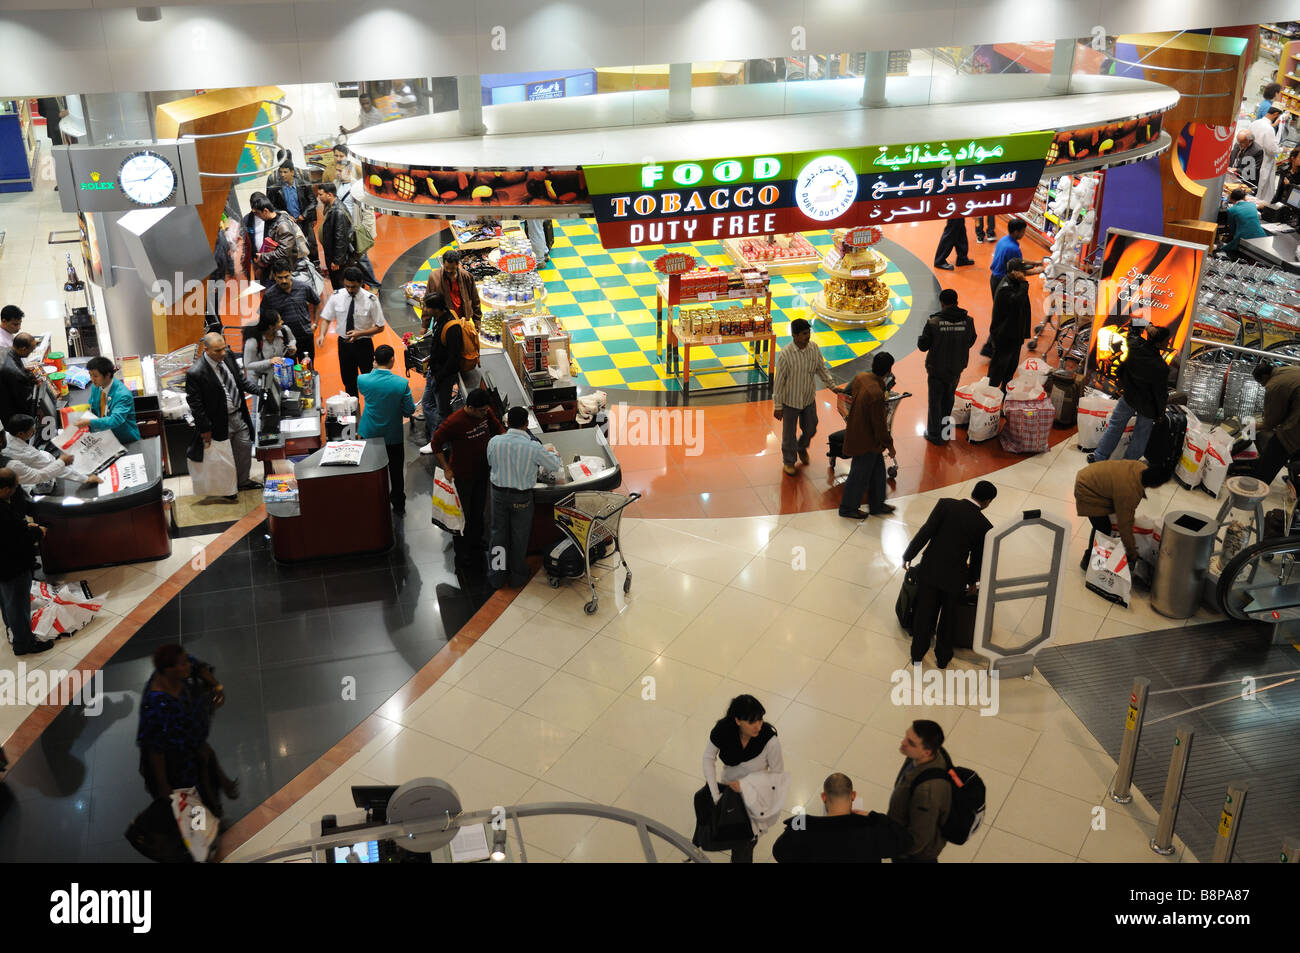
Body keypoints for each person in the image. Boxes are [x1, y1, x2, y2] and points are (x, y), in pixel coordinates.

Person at [137, 644, 239, 819]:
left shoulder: (177, 673)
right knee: (194, 802)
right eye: (182, 664)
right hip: (178, 765)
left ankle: (214, 814)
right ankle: (203, 835)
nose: (188, 666)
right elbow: (156, 750)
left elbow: (197, 666)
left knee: (207, 782)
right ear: (169, 669)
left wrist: (217, 687)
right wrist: (163, 785)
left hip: (195, 747)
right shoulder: (156, 705)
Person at [902, 480, 996, 668]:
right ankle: (943, 658)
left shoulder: (946, 504)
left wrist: (908, 554)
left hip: (930, 569)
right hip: (955, 577)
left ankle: (918, 655)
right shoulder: (984, 526)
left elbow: (925, 532)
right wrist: (971, 582)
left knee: (924, 613)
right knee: (948, 618)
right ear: (987, 502)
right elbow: (977, 558)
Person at [697, 694, 785, 863]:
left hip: (755, 799)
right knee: (724, 829)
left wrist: (745, 786)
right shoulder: (723, 730)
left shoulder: (769, 740)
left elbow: (777, 778)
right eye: (752, 722)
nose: (758, 726)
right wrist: (716, 795)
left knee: (744, 844)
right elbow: (708, 758)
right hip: (728, 792)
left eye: (760, 720)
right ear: (737, 720)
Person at [485, 405, 561, 590]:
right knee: (519, 537)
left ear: (507, 422)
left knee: (497, 535)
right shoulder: (533, 447)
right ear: (526, 424)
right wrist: (553, 454)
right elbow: (554, 466)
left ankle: (496, 576)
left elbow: (490, 462)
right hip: (522, 498)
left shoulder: (494, 441)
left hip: (497, 495)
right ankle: (517, 576)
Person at [430, 388, 504, 577]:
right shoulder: (454, 421)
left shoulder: (486, 413)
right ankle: (462, 554)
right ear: (469, 407)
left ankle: (477, 541)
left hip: (482, 472)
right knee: (462, 516)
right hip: (462, 476)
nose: (483, 414)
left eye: (485, 410)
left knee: (478, 511)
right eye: (480, 411)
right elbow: (436, 443)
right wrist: (447, 468)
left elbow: (499, 430)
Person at [771, 772, 911, 863]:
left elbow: (779, 852)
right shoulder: (872, 828)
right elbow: (906, 842)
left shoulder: (803, 827)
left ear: (823, 797)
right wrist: (876, 817)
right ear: (853, 796)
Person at [186, 331, 260, 498]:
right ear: (206, 349)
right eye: (217, 351)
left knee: (244, 448)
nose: (223, 353)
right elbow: (195, 405)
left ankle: (242, 481)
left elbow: (240, 380)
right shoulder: (195, 373)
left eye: (224, 348)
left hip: (238, 414)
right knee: (224, 458)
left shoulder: (228, 357)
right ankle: (228, 489)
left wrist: (259, 391)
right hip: (218, 421)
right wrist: (204, 428)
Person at [1088, 321, 1171, 463]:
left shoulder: (1135, 346)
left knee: (1115, 426)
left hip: (1129, 396)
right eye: (1166, 341)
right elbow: (1160, 394)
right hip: (1148, 405)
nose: (1168, 343)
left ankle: (1099, 456)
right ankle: (1127, 465)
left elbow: (1134, 324)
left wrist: (1147, 325)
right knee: (1140, 436)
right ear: (1159, 344)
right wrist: (1160, 413)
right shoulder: (1161, 366)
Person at [1074, 459, 1170, 570]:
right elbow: (1125, 525)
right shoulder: (1129, 492)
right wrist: (1132, 553)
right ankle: (1089, 561)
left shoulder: (1139, 466)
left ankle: (1097, 558)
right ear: (1155, 484)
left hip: (1089, 476)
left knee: (1105, 523)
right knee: (1103, 528)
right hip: (1086, 488)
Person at [772, 317, 838, 476]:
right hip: (790, 401)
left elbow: (821, 369)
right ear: (794, 336)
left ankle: (801, 447)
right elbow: (779, 382)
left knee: (811, 428)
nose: (807, 336)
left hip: (808, 399)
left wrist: (833, 387)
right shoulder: (785, 355)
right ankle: (789, 461)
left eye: (808, 333)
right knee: (788, 435)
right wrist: (778, 406)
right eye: (803, 334)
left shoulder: (814, 348)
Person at [0, 468, 54, 657]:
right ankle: (24, 644)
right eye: (14, 487)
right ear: (5, 489)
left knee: (7, 601)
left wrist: (24, 525)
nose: (15, 491)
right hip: (13, 566)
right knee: (18, 605)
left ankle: (12, 631)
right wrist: (38, 532)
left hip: (3, 568)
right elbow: (16, 538)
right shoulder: (3, 512)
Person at [358, 344, 415, 515]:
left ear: (374, 360)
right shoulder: (401, 384)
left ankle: (374, 501)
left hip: (369, 433)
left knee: (372, 469)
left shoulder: (363, 380)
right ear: (392, 360)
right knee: (396, 471)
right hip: (393, 435)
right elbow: (409, 410)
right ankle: (398, 504)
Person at [838, 351, 895, 520]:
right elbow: (880, 426)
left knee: (878, 471)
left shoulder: (861, 378)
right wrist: (890, 445)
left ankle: (877, 504)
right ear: (888, 371)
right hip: (867, 440)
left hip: (855, 431)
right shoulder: (876, 394)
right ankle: (847, 508)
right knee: (859, 475)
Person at [887, 720, 954, 863]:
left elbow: (918, 840)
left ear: (927, 752)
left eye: (911, 743)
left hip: (913, 856)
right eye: (906, 736)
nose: (903, 742)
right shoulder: (922, 757)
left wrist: (892, 848)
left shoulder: (927, 793)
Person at [917, 288, 977, 444]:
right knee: (949, 400)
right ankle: (945, 433)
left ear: (942, 303)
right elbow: (971, 340)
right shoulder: (968, 321)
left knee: (935, 402)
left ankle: (934, 435)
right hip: (956, 368)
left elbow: (923, 346)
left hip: (937, 369)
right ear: (956, 302)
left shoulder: (934, 322)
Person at [422, 289, 482, 434]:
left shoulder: (451, 328)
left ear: (436, 309)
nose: (425, 310)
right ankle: (436, 432)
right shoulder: (440, 319)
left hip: (443, 376)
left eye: (427, 307)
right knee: (428, 403)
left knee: (443, 409)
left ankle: (441, 437)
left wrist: (439, 377)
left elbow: (453, 359)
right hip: (435, 371)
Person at [320, 266, 385, 397]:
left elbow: (380, 326)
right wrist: (322, 334)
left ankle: (371, 409)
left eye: (353, 287)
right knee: (349, 381)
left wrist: (359, 333)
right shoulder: (337, 296)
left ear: (361, 283)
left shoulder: (371, 300)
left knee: (369, 380)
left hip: (364, 344)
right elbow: (326, 318)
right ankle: (354, 411)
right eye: (347, 286)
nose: (350, 290)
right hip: (344, 345)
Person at [981, 219, 1041, 357]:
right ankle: (990, 347)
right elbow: (1019, 271)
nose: (1024, 233)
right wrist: (1040, 270)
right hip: (1004, 282)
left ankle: (991, 346)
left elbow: (1018, 262)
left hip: (995, 279)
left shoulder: (1004, 241)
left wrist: (1035, 263)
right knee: (1004, 315)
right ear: (1016, 232)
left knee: (1000, 312)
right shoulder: (1013, 248)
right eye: (1023, 231)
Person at [1, 413, 100, 487]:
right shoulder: (28, 454)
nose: (35, 431)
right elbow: (54, 469)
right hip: (24, 483)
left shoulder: (5, 435)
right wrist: (86, 479)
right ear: (21, 434)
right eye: (32, 430)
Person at [1248, 362, 1300, 486]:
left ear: (1265, 377)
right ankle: (1295, 480)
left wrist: (1257, 426)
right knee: (1296, 451)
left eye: (1261, 383)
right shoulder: (1286, 369)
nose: (1262, 386)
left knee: (1279, 445)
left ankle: (1258, 483)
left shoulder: (1274, 385)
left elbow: (1272, 420)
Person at [987, 257, 1033, 392]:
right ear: (1014, 272)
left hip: (1015, 335)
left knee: (1010, 369)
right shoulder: (1005, 288)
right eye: (1022, 272)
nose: (1025, 274)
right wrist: (1025, 284)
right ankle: (989, 399)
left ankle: (1004, 396)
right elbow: (1017, 302)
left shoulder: (1015, 284)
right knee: (997, 371)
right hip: (1004, 337)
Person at [261, 265, 320, 365]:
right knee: (287, 373)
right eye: (280, 277)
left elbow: (317, 302)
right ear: (274, 276)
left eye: (286, 276)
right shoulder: (269, 295)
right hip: (284, 342)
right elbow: (264, 317)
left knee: (307, 369)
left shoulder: (303, 287)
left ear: (291, 273)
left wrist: (315, 324)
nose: (284, 280)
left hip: (305, 336)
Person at [269, 158, 319, 266]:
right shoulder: (275, 189)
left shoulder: (304, 185)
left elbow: (313, 202)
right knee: (292, 246)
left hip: (303, 221)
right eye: (280, 172)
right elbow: (272, 207)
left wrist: (304, 215)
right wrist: (284, 215)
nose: (282, 175)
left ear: (292, 172)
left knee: (311, 244)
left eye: (285, 172)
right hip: (288, 223)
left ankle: (316, 265)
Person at [240, 192, 298, 281]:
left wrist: (263, 257)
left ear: (266, 211)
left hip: (282, 272)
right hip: (271, 268)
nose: (257, 217)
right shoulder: (268, 222)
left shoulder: (283, 226)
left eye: (258, 213)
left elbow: (284, 252)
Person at [241, 306, 297, 391]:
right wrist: (270, 361)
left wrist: (292, 346)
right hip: (260, 381)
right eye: (279, 321)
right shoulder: (253, 341)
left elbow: (292, 339)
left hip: (278, 376)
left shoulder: (284, 330)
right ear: (271, 326)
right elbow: (248, 365)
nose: (282, 322)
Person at [315, 182, 357, 291]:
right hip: (331, 253)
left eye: (320, 194)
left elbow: (340, 238)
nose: (318, 197)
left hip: (338, 258)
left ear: (329, 195)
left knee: (340, 284)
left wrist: (337, 260)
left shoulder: (338, 211)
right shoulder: (330, 207)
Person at [425, 248, 482, 325]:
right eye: (446, 268)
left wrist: (477, 322)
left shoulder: (467, 276)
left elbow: (475, 300)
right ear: (443, 264)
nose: (449, 271)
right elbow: (428, 303)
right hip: (444, 322)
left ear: (458, 264)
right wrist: (425, 326)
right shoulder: (434, 277)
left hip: (463, 321)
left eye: (452, 268)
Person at [341, 181, 381, 288]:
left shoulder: (358, 189)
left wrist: (364, 234)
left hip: (358, 231)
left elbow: (368, 214)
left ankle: (374, 284)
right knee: (355, 259)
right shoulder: (338, 185)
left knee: (362, 258)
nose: (338, 173)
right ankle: (361, 282)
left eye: (341, 170)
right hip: (348, 230)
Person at [0, 332, 38, 430]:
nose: (31, 352)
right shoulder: (16, 374)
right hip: (14, 416)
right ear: (23, 349)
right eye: (31, 350)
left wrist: (28, 375)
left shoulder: (10, 353)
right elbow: (25, 404)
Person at [1219, 186, 1268, 257]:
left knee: (1221, 250)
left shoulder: (1231, 210)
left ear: (1231, 198)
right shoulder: (1252, 205)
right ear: (1244, 197)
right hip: (1262, 237)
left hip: (1243, 239)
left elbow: (1232, 229)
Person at [1249, 108, 1283, 202]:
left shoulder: (1255, 123)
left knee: (1249, 186)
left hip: (1251, 160)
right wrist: (1281, 149)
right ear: (1276, 114)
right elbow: (1271, 149)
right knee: (1260, 188)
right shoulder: (1269, 129)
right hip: (1263, 162)